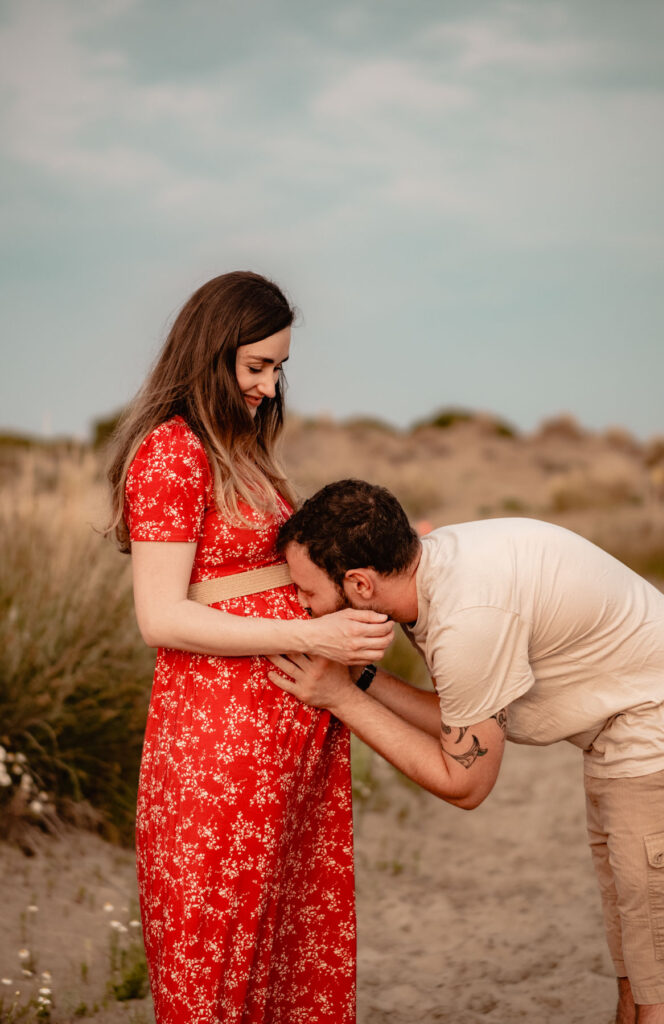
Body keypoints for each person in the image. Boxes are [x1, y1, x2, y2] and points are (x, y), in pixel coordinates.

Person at [268, 478, 664, 1024]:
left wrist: (340, 698)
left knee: (661, 977)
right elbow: (466, 717)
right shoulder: (439, 568)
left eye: (306, 591)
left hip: (659, 738)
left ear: (360, 584)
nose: (299, 604)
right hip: (625, 735)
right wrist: (364, 678)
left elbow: (465, 783)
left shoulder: (468, 618)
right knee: (634, 953)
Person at [106, 278, 393, 1024]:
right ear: (210, 355)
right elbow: (160, 618)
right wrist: (311, 635)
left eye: (277, 368)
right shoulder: (170, 455)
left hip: (282, 744)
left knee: (287, 946)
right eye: (254, 366)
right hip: (219, 749)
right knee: (220, 950)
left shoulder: (240, 450)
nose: (269, 386)